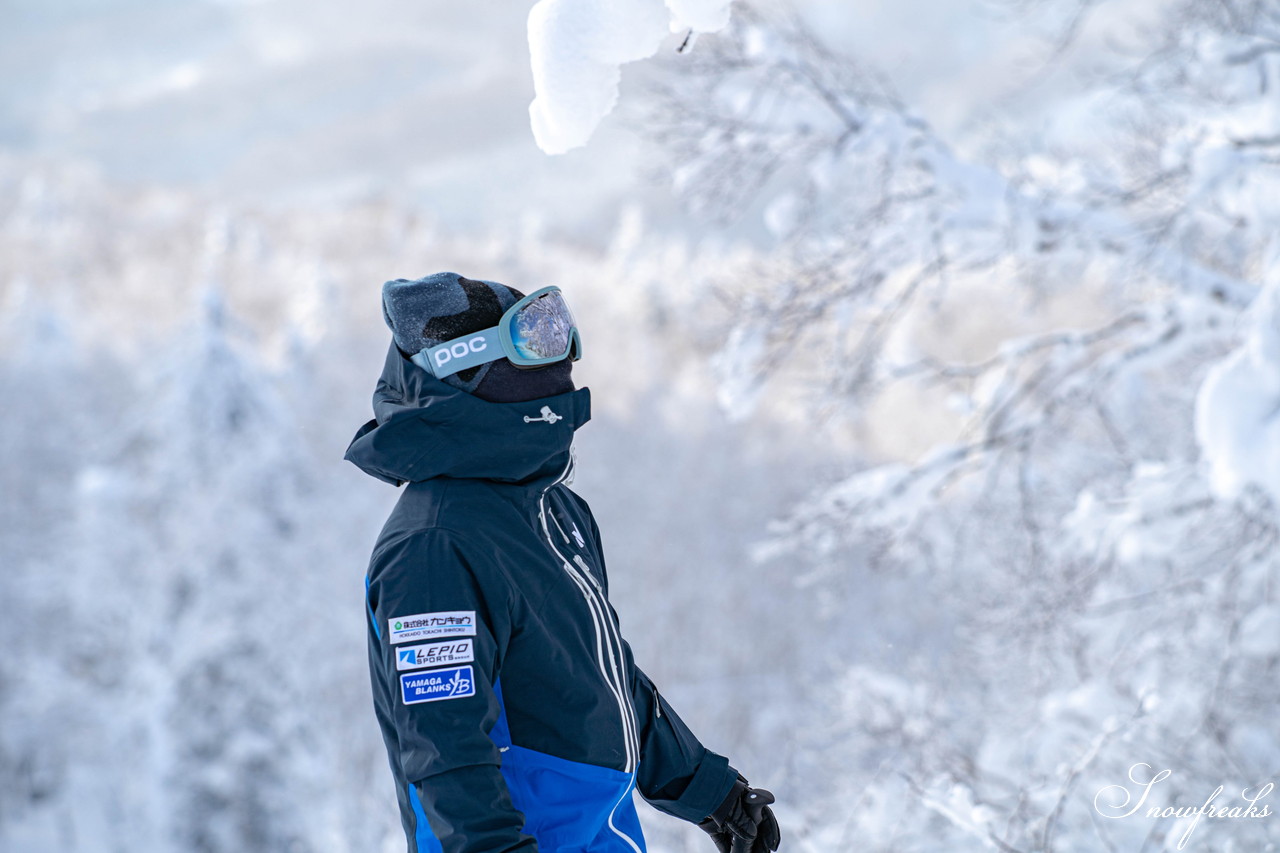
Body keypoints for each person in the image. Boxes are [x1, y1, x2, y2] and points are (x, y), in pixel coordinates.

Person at [344, 272, 782, 853]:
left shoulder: (553, 510)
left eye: (559, 331)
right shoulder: (434, 546)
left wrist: (708, 790)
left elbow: (604, 679)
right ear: (470, 368)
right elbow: (444, 754)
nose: (563, 357)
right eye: (536, 340)